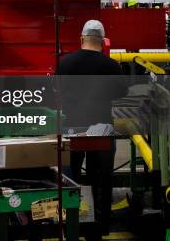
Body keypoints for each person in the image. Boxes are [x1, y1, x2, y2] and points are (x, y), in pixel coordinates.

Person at [56, 19, 128, 239]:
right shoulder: (111, 66)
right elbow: (122, 93)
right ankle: (98, 229)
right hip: (102, 131)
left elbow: (56, 91)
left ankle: (72, 225)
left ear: (81, 39)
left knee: (71, 179)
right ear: (102, 41)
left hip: (72, 130)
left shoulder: (65, 63)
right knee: (102, 180)